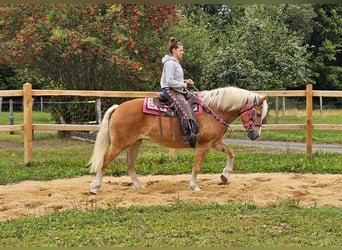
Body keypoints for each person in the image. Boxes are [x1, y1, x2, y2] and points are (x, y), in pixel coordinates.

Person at [160, 37, 199, 147]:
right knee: (185, 108)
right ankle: (187, 136)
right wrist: (182, 84)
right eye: (181, 50)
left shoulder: (175, 63)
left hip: (176, 90)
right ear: (174, 51)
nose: (183, 52)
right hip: (169, 90)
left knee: (195, 100)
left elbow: (175, 80)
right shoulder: (170, 64)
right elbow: (169, 81)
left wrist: (185, 81)